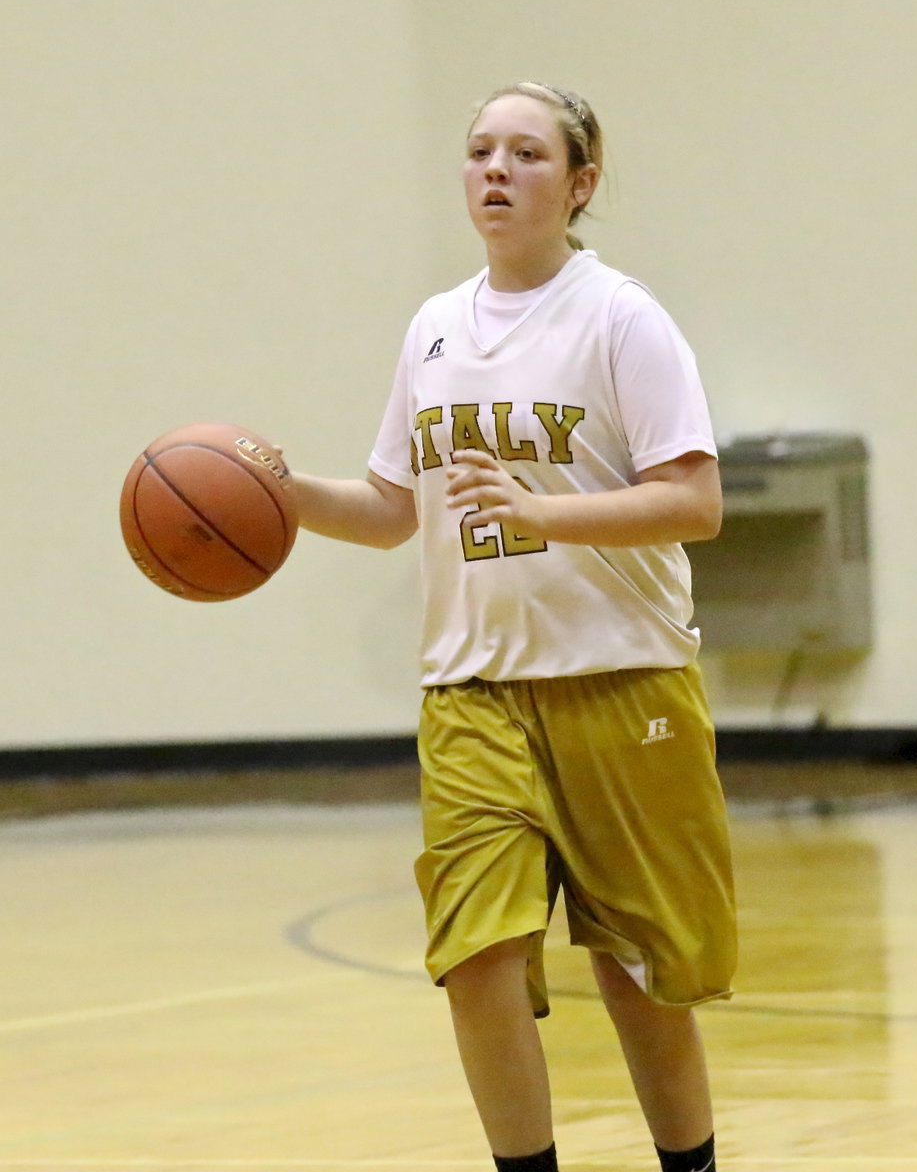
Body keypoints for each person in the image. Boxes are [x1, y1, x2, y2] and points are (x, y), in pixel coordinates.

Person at [292, 81, 737, 1172]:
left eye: (527, 153)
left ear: (580, 184)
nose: (496, 168)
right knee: (476, 955)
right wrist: (273, 493)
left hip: (621, 679)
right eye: (481, 149)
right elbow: (392, 510)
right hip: (472, 693)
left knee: (640, 973)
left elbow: (695, 501)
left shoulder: (620, 316)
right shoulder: (434, 328)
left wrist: (546, 514)